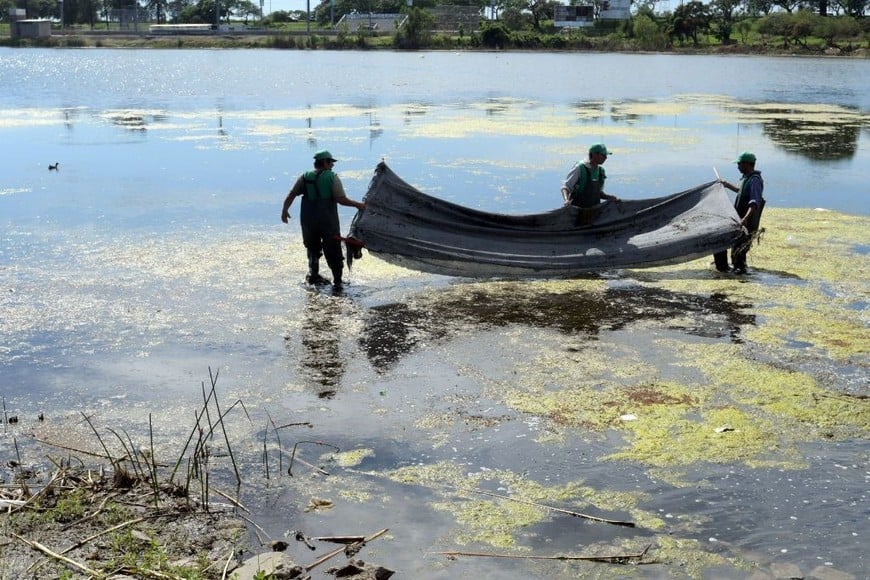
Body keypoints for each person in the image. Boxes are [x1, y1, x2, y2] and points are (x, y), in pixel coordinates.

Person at [281, 150, 366, 290]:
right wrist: (358, 205)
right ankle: (337, 281)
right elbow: (341, 199)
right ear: (325, 163)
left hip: (308, 221)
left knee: (312, 247)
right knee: (333, 249)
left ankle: (313, 275)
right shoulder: (332, 177)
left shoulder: (304, 177)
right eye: (331, 162)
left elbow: (292, 194)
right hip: (327, 221)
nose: (332, 165)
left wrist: (285, 210)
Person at [713, 151, 765, 275]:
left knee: (738, 253)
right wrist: (726, 184)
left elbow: (754, 203)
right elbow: (739, 191)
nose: (737, 167)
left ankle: (737, 275)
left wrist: (745, 218)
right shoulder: (746, 179)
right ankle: (725, 270)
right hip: (740, 222)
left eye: (739, 164)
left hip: (747, 223)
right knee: (725, 248)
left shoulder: (755, 181)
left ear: (747, 164)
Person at [560, 143, 620, 225]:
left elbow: (598, 193)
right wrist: (566, 200)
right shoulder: (580, 168)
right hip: (577, 214)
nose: (606, 158)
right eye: (603, 155)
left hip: (594, 214)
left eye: (606, 155)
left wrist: (609, 197)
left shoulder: (601, 172)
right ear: (594, 155)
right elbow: (566, 187)